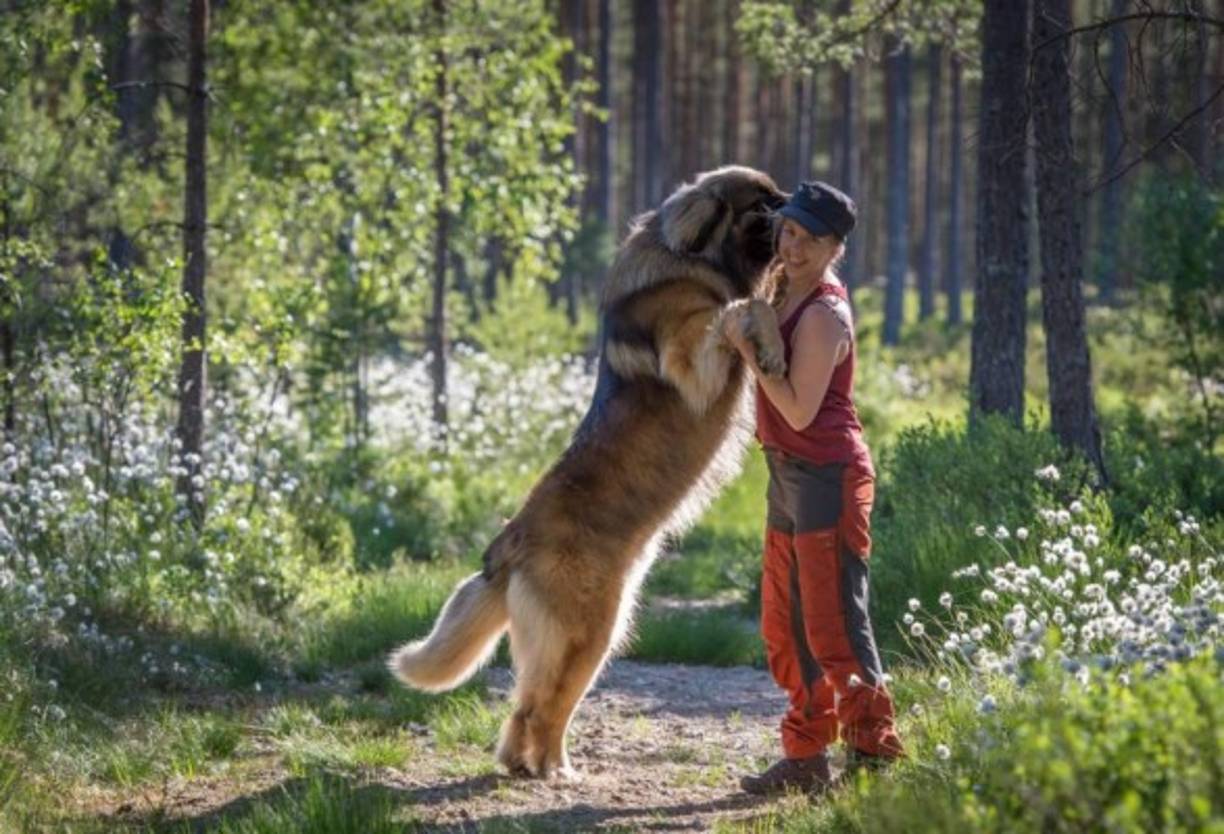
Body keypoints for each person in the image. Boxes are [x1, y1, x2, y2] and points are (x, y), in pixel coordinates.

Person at [724, 181, 904, 796]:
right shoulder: (779, 289)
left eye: (811, 239)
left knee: (834, 627)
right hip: (787, 474)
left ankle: (874, 762)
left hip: (829, 473)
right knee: (786, 624)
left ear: (835, 249)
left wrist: (749, 351)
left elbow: (799, 410)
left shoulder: (825, 313)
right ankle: (805, 760)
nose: (793, 246)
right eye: (790, 232)